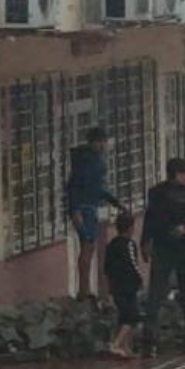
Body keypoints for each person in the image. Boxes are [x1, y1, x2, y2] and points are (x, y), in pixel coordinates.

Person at [141, 158, 185, 356]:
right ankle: (149, 342)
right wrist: (145, 241)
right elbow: (150, 218)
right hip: (163, 247)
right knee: (155, 294)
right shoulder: (157, 193)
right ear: (176, 174)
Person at [66, 127, 123, 300]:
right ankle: (83, 290)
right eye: (102, 142)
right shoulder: (89, 161)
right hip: (84, 208)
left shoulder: (88, 159)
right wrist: (75, 209)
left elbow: (97, 188)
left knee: (88, 246)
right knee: (88, 246)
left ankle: (85, 289)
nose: (104, 145)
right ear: (95, 142)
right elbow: (76, 186)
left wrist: (114, 201)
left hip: (87, 207)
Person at [104, 212, 142, 360]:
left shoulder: (111, 245)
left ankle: (126, 348)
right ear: (130, 228)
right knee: (132, 317)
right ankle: (116, 344)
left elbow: (106, 267)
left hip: (115, 286)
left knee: (123, 315)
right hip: (128, 286)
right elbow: (133, 264)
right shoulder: (129, 244)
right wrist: (139, 279)